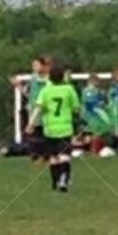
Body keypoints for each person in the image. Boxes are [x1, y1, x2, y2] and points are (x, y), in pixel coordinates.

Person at [29, 63, 82, 192]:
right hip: (65, 128)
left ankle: (55, 181)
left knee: (53, 157)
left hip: (50, 129)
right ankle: (64, 180)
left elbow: (38, 108)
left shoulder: (45, 91)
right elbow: (76, 108)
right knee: (65, 156)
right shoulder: (69, 89)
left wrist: (30, 124)